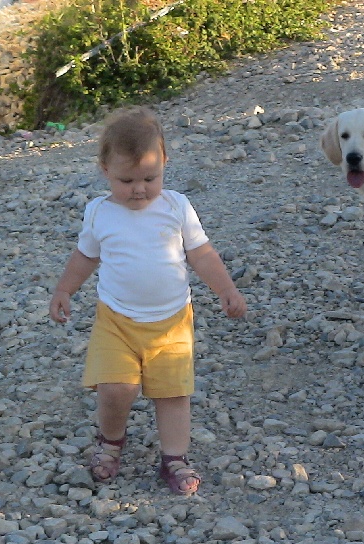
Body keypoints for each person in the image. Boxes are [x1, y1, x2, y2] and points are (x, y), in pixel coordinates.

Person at [49, 106, 247, 495]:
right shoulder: (100, 212)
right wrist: (64, 290)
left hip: (172, 320)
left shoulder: (175, 206)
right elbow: (86, 256)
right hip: (116, 320)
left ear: (165, 164)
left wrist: (226, 289)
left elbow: (201, 253)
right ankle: (111, 442)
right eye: (126, 179)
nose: (139, 188)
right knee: (115, 387)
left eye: (150, 177)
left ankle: (175, 458)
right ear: (104, 169)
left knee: (173, 393)